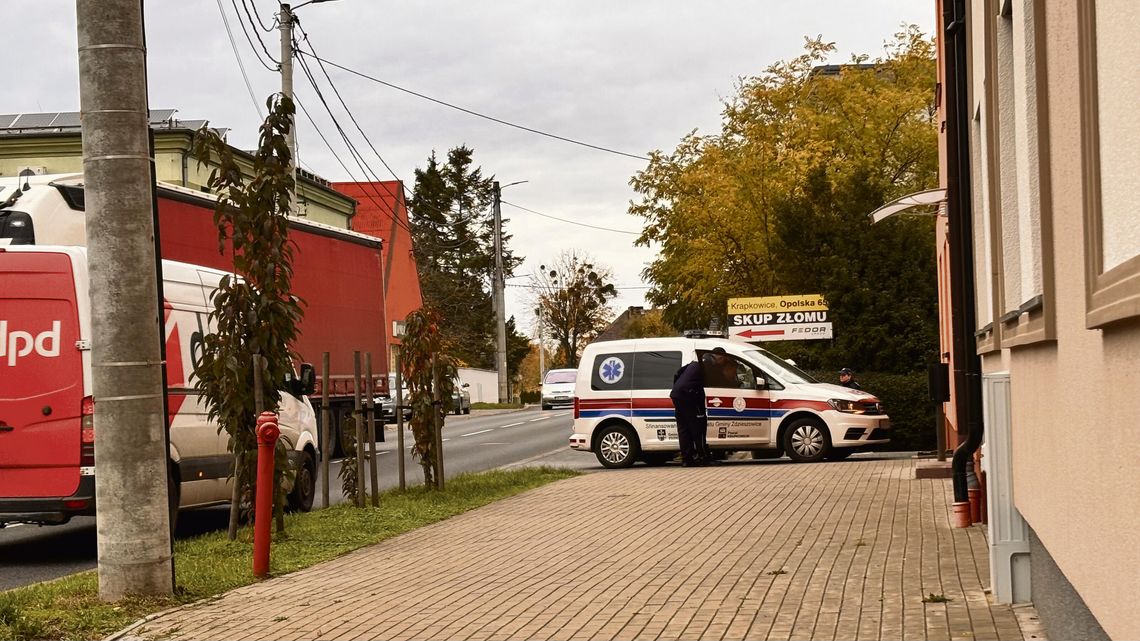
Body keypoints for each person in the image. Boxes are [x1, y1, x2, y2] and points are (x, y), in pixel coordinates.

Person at [671, 349, 720, 467]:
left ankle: (687, 459)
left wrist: (678, 387)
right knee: (699, 426)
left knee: (684, 427)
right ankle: (703, 457)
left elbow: (677, 373)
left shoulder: (695, 363)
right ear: (719, 357)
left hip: (677, 394)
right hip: (689, 395)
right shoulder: (710, 364)